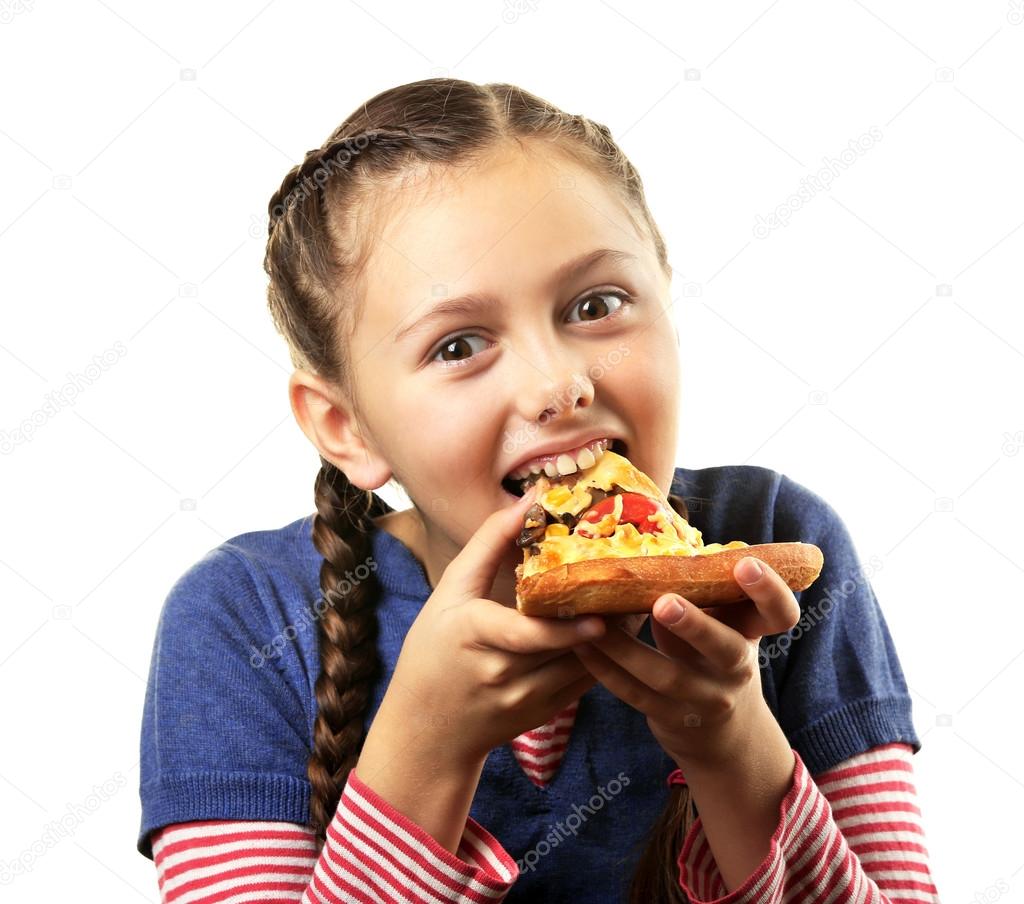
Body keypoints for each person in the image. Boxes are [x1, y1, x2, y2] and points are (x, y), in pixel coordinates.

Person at [137, 78, 940, 903]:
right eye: (458, 346)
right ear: (348, 427)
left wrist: (732, 741)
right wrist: (427, 746)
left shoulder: (771, 537)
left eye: (597, 303)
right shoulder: (245, 618)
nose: (559, 385)